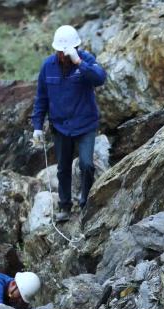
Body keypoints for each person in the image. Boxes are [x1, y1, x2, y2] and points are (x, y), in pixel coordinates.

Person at [31, 25, 107, 223]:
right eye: (59, 51)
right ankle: (65, 206)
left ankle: (86, 204)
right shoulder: (47, 66)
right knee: (63, 168)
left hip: (85, 124)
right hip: (60, 127)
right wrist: (37, 126)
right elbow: (41, 98)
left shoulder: (86, 61)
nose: (62, 55)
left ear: (74, 48)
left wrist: (78, 62)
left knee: (87, 164)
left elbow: (100, 79)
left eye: (66, 52)